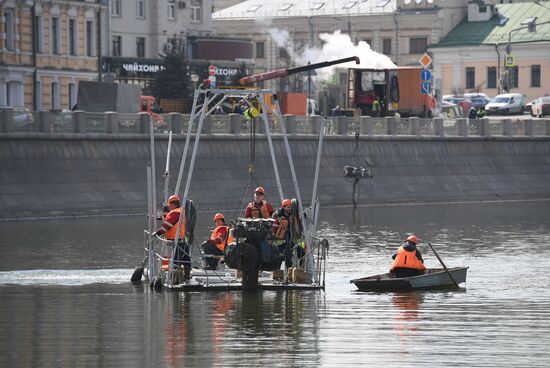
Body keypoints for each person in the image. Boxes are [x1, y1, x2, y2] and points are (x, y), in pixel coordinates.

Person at [152, 194, 191, 280]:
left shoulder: (175, 213)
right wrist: (161, 216)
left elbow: (168, 224)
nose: (168, 207)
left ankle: (175, 279)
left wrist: (157, 233)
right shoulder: (179, 211)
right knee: (185, 257)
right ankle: (187, 275)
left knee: (176, 260)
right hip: (181, 240)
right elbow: (169, 218)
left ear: (173, 204)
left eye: (169, 205)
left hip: (176, 240)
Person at [272, 199, 305, 268]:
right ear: (284, 207)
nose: (290, 209)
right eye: (288, 207)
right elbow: (274, 227)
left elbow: (300, 219)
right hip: (280, 240)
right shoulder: (278, 215)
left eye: (290, 207)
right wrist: (272, 236)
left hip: (291, 239)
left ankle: (296, 271)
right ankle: (277, 272)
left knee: (297, 253)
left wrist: (304, 215)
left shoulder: (294, 215)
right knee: (279, 257)